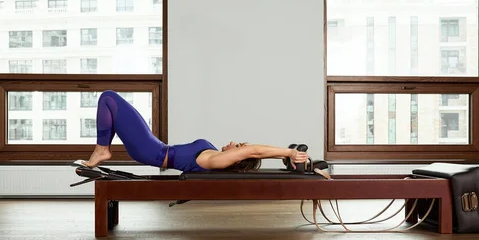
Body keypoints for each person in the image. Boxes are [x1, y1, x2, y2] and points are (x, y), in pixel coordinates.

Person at [82, 90, 309, 172]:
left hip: (151, 150)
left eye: (237, 147)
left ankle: (102, 150)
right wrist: (285, 155)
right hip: (155, 147)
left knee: (109, 98)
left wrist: (289, 154)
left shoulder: (217, 161)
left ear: (236, 158)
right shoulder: (213, 156)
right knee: (111, 101)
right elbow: (254, 153)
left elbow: (254, 152)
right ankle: (102, 149)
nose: (232, 143)